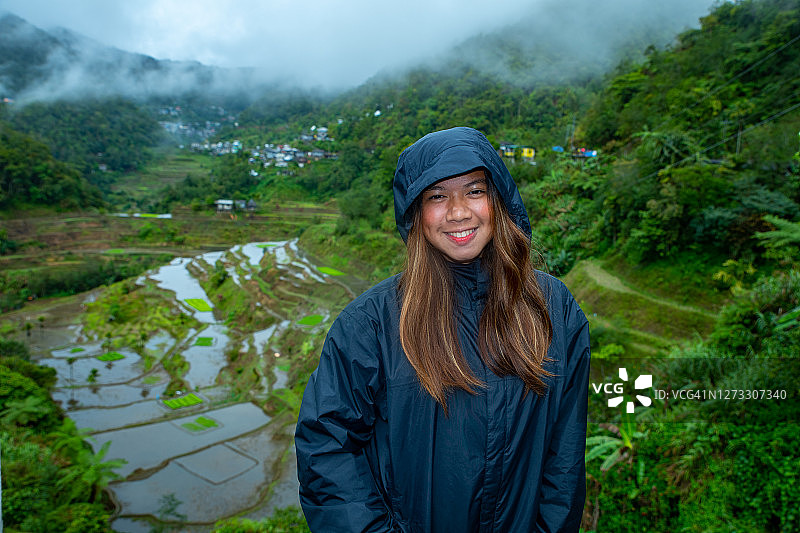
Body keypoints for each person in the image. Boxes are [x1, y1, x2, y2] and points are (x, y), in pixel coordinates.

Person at [295, 126, 590, 532]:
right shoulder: (370, 325)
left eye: (474, 191)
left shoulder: (553, 308)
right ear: (416, 212)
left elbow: (566, 455)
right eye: (437, 196)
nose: (458, 212)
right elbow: (325, 447)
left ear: (499, 199)